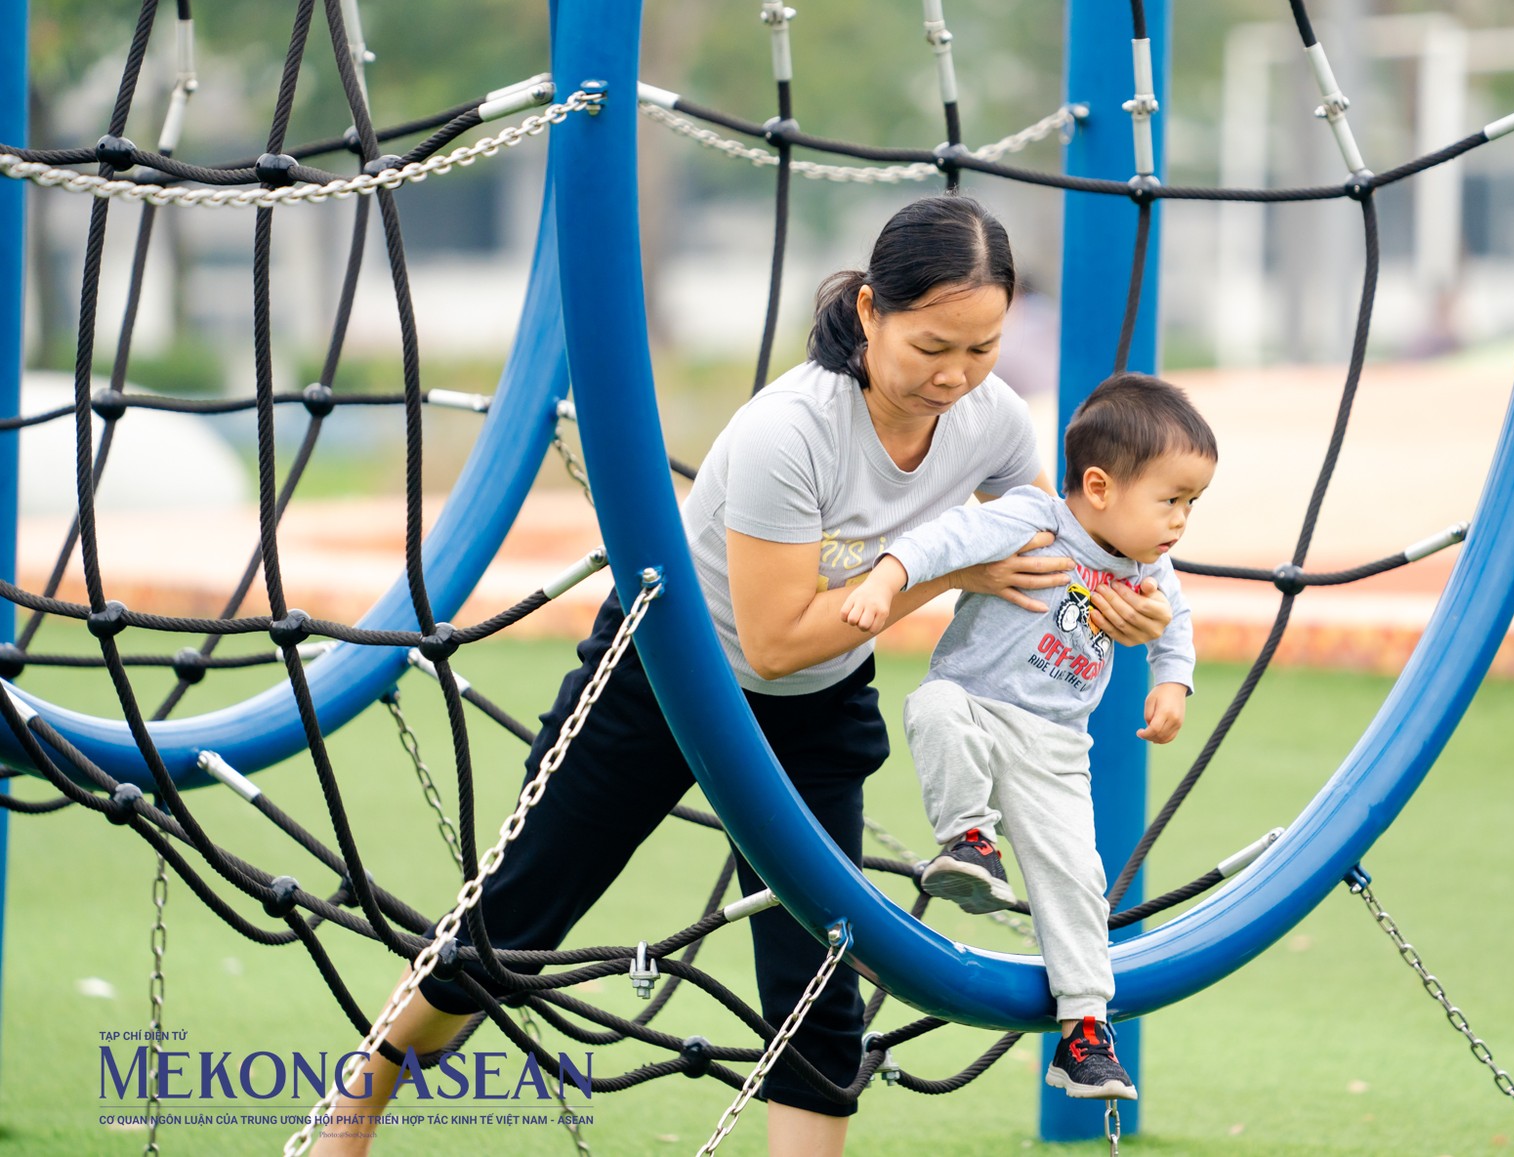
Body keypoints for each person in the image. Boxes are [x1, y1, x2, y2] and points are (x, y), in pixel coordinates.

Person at [315, 194, 1174, 1156]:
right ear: (869, 312)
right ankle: (354, 1111)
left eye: (983, 349)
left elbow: (1053, 546)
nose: (957, 377)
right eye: (933, 346)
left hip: (816, 711)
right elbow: (775, 639)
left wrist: (1117, 599)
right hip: (672, 683)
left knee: (818, 985)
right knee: (515, 920)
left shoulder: (992, 420)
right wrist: (950, 570)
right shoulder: (790, 432)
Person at [838, 372, 1217, 1102]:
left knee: (1077, 879)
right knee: (935, 705)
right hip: (980, 703)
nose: (1180, 522)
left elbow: (1177, 624)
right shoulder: (1034, 519)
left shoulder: (1150, 567)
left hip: (1054, 744)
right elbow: (946, 535)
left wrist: (1172, 685)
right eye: (1170, 500)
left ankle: (1084, 1031)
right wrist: (886, 580)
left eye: (1190, 504)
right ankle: (970, 842)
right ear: (1100, 487)